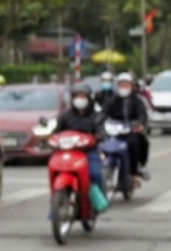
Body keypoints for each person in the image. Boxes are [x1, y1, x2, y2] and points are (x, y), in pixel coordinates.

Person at [54, 84, 109, 214]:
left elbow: (102, 131)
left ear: (89, 98)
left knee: (95, 174)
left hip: (88, 152)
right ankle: (58, 202)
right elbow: (56, 132)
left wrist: (99, 136)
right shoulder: (65, 116)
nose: (80, 99)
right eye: (77, 96)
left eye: (83, 96)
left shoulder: (96, 116)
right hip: (67, 152)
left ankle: (97, 200)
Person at [102, 72, 150, 186]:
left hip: (130, 131)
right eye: (121, 85)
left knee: (136, 143)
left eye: (126, 85)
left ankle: (135, 172)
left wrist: (138, 124)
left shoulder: (137, 101)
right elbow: (103, 113)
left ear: (132, 87)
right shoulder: (111, 100)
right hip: (113, 131)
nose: (123, 88)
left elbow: (142, 115)